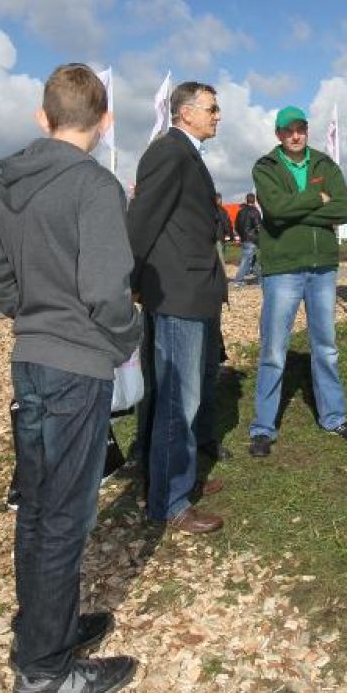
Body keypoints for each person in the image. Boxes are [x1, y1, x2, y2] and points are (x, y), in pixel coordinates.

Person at [0, 63, 140, 693]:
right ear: (104, 125)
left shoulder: (14, 182)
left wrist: (35, 314)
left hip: (33, 361)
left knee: (41, 512)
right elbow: (106, 292)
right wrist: (124, 338)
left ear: (42, 118)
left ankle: (40, 632)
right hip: (74, 368)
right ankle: (44, 673)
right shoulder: (94, 185)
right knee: (63, 518)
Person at [127, 81, 228, 533]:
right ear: (185, 112)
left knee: (180, 394)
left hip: (191, 291)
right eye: (212, 108)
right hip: (176, 294)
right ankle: (170, 501)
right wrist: (130, 281)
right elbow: (141, 223)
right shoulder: (168, 152)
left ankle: (171, 480)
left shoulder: (186, 154)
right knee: (176, 400)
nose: (218, 115)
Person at [249, 105, 347, 456]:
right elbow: (276, 211)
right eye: (288, 130)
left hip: (323, 267)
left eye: (300, 129)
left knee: (326, 346)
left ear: (306, 130)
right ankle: (263, 428)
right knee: (273, 348)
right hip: (283, 266)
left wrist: (297, 208)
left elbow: (343, 209)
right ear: (278, 135)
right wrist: (317, 199)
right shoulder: (265, 167)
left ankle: (334, 417)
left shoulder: (326, 165)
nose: (295, 135)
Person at [232, 192, 261, 285]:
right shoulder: (255, 211)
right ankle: (238, 280)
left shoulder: (240, 212)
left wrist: (241, 235)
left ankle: (260, 278)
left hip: (244, 238)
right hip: (252, 239)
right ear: (255, 200)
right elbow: (258, 227)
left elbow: (236, 226)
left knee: (253, 260)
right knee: (246, 260)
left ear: (246, 200)